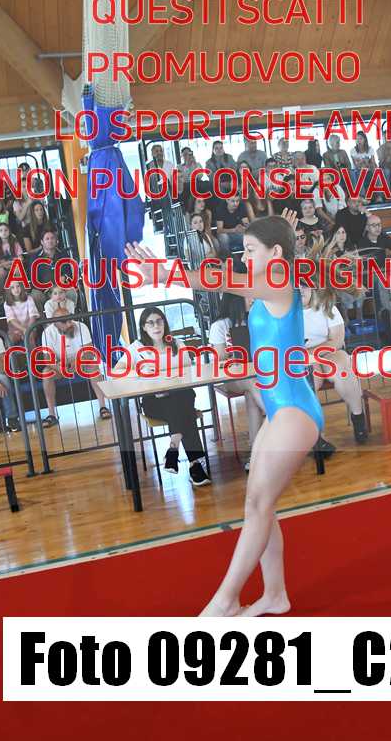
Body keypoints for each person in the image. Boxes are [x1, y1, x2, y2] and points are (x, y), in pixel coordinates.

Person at [126, 210, 325, 617]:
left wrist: (164, 272)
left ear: (275, 253)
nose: (244, 257)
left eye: (250, 250)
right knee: (258, 504)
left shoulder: (279, 282)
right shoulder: (272, 282)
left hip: (294, 411)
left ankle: (226, 600)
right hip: (281, 409)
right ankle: (274, 595)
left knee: (258, 505)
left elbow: (220, 279)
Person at [113, 306, 211, 485]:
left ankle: (174, 449)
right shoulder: (136, 348)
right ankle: (195, 465)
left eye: (159, 321)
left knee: (183, 397)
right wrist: (139, 370)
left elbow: (189, 372)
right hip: (154, 402)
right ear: (144, 327)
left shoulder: (177, 344)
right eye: (150, 323)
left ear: (164, 323)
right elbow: (116, 371)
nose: (156, 326)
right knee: (186, 410)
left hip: (179, 397)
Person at [300, 283, 367, 445]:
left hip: (328, 350)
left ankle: (358, 416)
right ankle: (316, 435)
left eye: (304, 286)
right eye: (295, 287)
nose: (300, 290)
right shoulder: (284, 311)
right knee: (310, 380)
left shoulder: (326, 305)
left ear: (312, 288)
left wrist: (313, 352)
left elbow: (337, 339)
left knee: (342, 366)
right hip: (302, 358)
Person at [209, 292, 266, 470]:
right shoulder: (220, 326)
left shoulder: (258, 318)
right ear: (235, 299)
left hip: (260, 374)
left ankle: (255, 453)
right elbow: (220, 360)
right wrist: (234, 356)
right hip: (232, 377)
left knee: (251, 394)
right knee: (251, 382)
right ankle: (277, 416)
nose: (254, 298)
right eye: (248, 296)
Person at [39, 308, 112, 428]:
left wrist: (77, 361)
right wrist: (58, 367)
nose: (69, 324)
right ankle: (52, 415)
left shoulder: (81, 327)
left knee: (93, 365)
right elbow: (47, 359)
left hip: (81, 361)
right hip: (60, 365)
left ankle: (103, 406)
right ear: (55, 324)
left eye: (70, 319)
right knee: (46, 373)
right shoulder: (47, 333)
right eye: (64, 322)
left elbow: (89, 352)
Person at [27, 228, 76, 311]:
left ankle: (70, 317)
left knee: (71, 292)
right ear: (42, 242)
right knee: (35, 295)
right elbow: (32, 279)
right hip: (44, 291)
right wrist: (46, 287)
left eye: (52, 238)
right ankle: (43, 319)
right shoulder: (34, 258)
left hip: (61, 289)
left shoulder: (64, 255)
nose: (50, 241)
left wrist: (64, 278)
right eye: (47, 239)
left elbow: (69, 273)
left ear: (56, 241)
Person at [0, 222, 23, 293]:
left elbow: (21, 258)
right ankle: (0, 294)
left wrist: (14, 263)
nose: (3, 232)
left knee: (18, 270)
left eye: (6, 230)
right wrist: (4, 264)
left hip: (14, 265)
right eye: (1, 230)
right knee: (1, 272)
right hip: (2, 267)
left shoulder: (15, 244)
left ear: (9, 231)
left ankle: (20, 292)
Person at [350, 131, 376, 196]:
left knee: (377, 172)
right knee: (360, 173)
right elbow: (356, 165)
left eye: (360, 139)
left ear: (365, 140)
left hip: (369, 169)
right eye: (357, 139)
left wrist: (365, 163)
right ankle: (363, 196)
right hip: (358, 171)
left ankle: (378, 196)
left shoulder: (370, 149)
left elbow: (373, 163)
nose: (358, 141)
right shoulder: (353, 150)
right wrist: (365, 161)